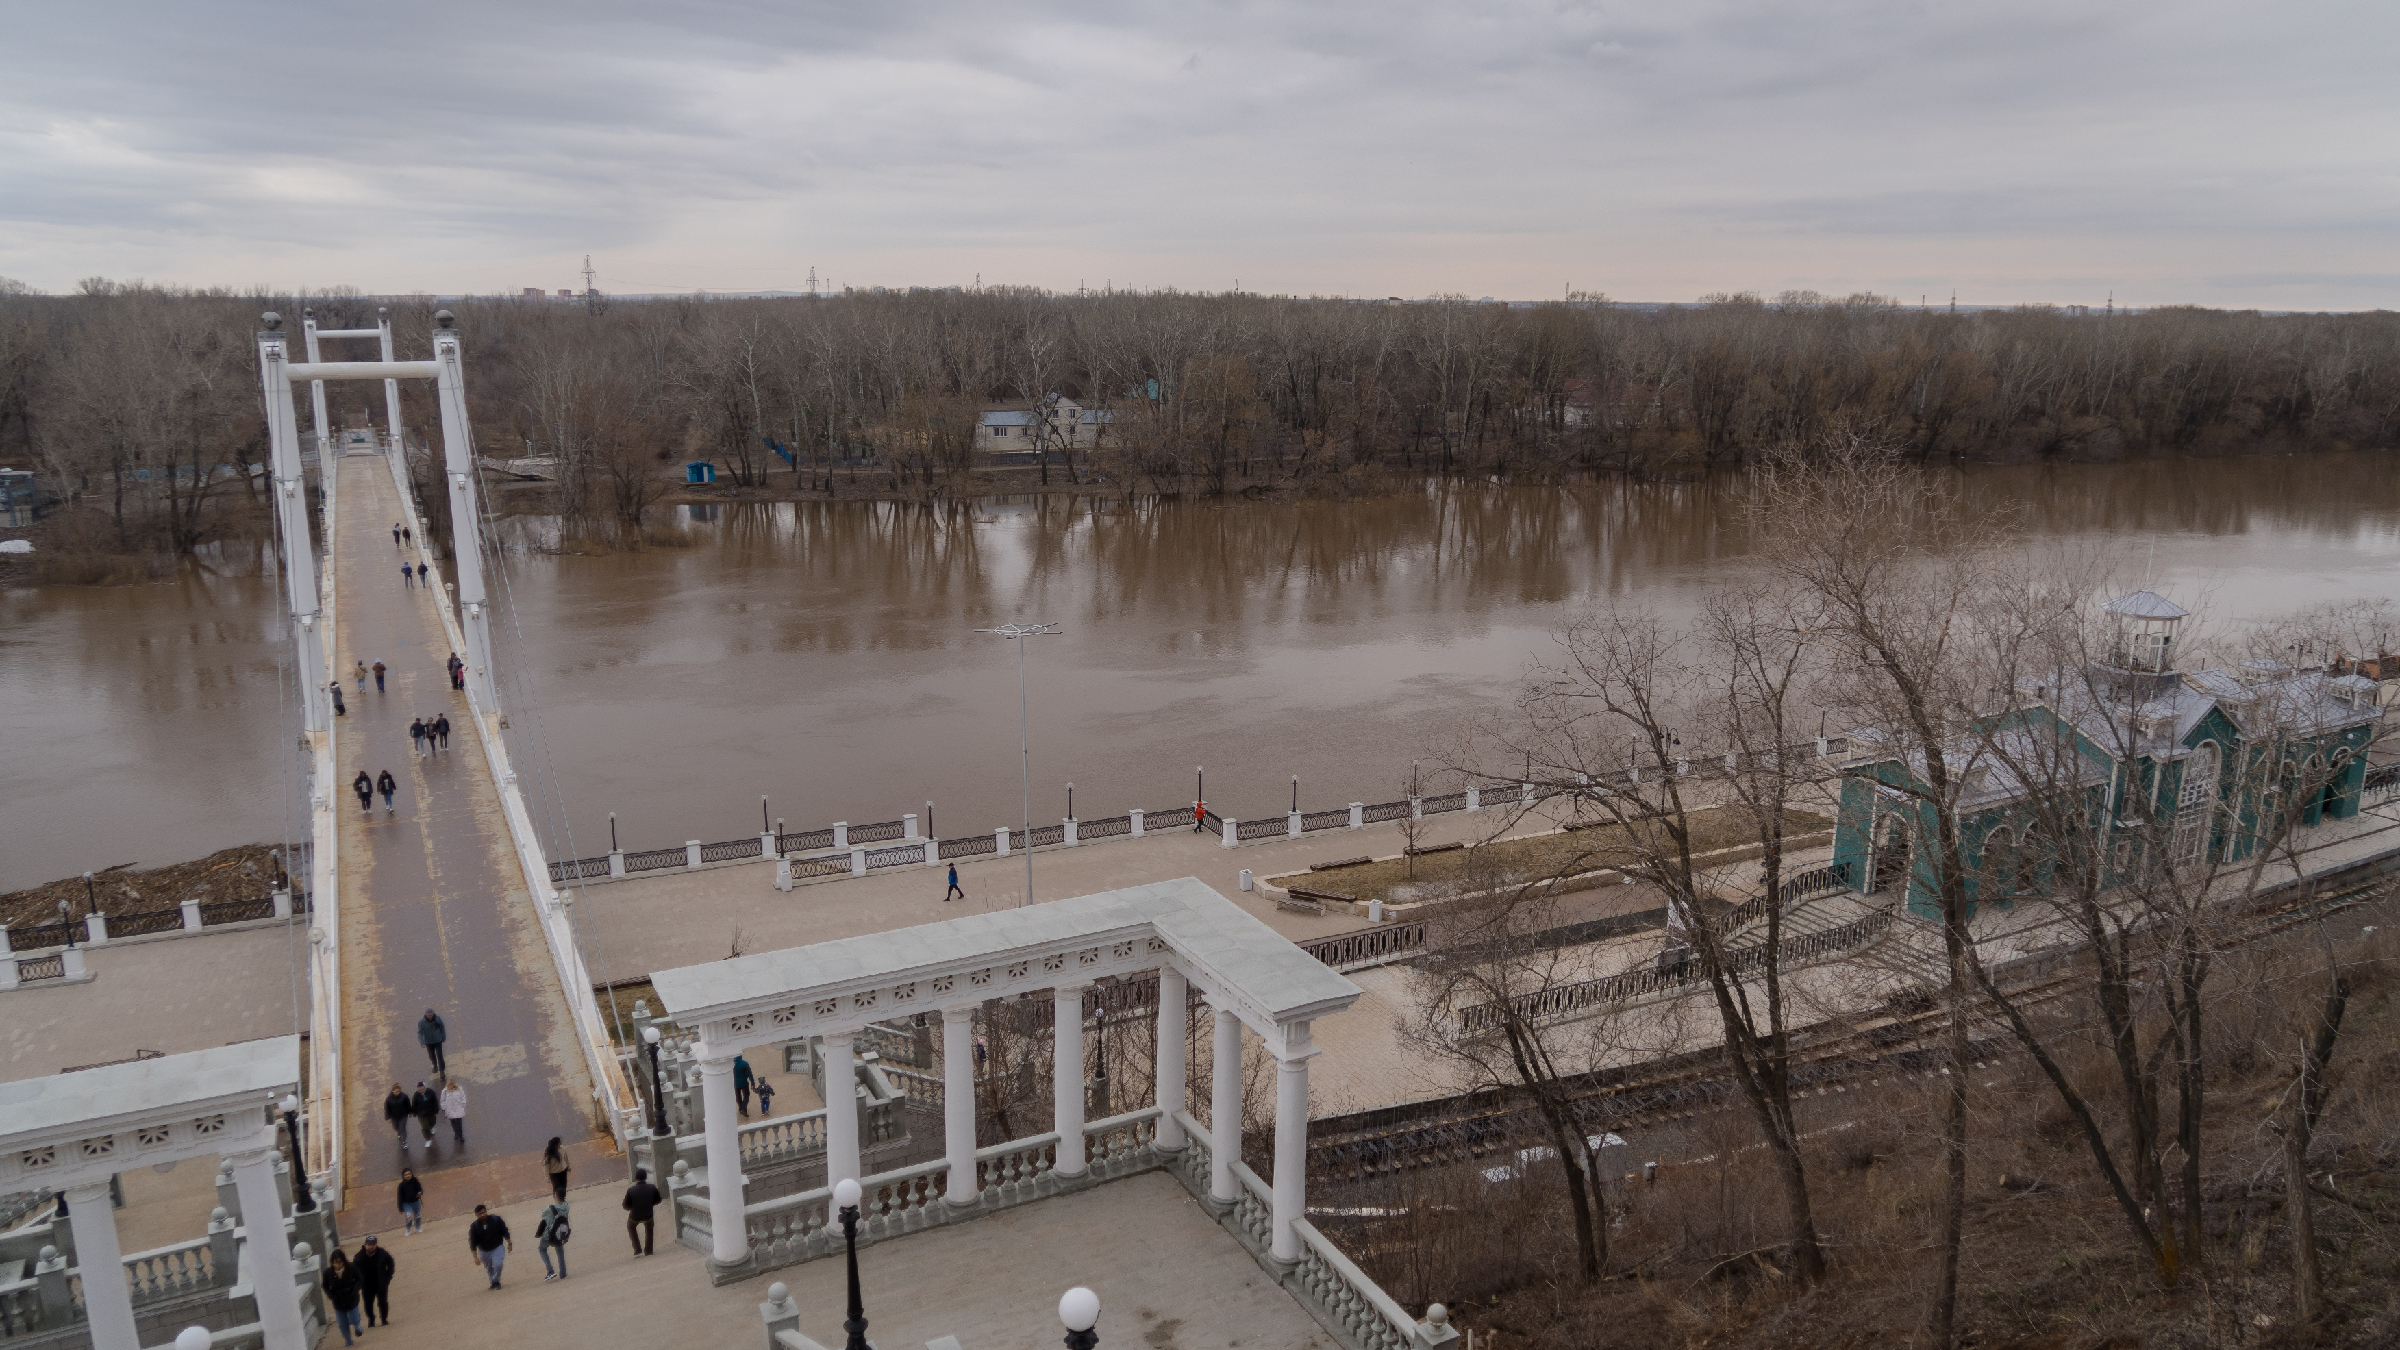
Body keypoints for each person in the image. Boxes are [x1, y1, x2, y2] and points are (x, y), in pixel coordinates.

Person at [322, 1248, 363, 1346]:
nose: (337, 1265)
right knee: (342, 1323)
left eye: (339, 1262)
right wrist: (331, 1295)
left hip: (351, 1296)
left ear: (343, 1261)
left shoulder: (351, 1268)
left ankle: (357, 1325)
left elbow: (359, 1279)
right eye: (335, 1263)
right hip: (338, 1299)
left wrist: (355, 1289)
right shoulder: (328, 1273)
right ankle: (348, 1341)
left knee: (354, 1318)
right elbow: (325, 1286)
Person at [467, 1205, 510, 1289]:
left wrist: (509, 1242)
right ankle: (493, 1283)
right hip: (484, 1250)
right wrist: (475, 1258)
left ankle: (496, 1281)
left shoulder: (496, 1220)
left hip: (497, 1247)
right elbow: (473, 1242)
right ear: (476, 1215)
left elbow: (504, 1230)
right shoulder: (474, 1226)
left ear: (486, 1211)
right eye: (480, 1214)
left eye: (483, 1212)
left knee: (498, 1264)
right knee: (489, 1268)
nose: (482, 1215)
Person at [355, 1235, 395, 1327]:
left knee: (383, 1302)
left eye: (373, 1244)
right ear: (365, 1245)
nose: (371, 1246)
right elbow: (355, 1270)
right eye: (369, 1244)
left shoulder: (383, 1254)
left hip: (380, 1283)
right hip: (367, 1285)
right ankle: (371, 1319)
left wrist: (387, 1277)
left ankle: (384, 1319)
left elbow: (391, 1264)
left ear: (376, 1245)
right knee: (368, 1304)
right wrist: (359, 1282)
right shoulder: (359, 1257)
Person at [622, 1169, 662, 1256]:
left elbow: (625, 1206)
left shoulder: (631, 1191)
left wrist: (632, 1208)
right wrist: (650, 1204)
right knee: (649, 1229)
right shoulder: (652, 1188)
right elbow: (658, 1200)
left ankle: (637, 1249)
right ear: (646, 1177)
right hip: (648, 1216)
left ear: (636, 1178)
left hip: (634, 1217)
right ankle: (648, 1250)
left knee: (631, 1227)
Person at [535, 1198, 571, 1280]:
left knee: (542, 1249)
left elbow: (543, 1214)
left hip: (548, 1235)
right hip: (560, 1234)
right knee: (560, 1252)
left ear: (555, 1196)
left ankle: (550, 1271)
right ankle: (563, 1273)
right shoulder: (566, 1206)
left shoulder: (551, 1208)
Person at [417, 1010, 448, 1077]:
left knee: (439, 1055)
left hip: (438, 1040)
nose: (430, 1017)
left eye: (431, 1015)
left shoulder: (438, 1019)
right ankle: (435, 1065)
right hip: (429, 1042)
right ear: (426, 1015)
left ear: (433, 1014)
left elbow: (442, 1027)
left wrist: (443, 1037)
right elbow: (420, 1033)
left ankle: (442, 1071)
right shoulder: (421, 1022)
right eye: (428, 1015)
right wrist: (422, 1042)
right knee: (431, 1055)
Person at [410, 1081, 439, 1149]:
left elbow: (435, 1101)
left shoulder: (431, 1092)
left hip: (431, 1112)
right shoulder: (416, 1095)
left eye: (422, 1089)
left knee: (432, 1122)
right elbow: (414, 1104)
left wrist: (436, 1110)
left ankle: (431, 1127)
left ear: (424, 1087)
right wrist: (413, 1112)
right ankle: (428, 1139)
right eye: (419, 1090)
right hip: (421, 1114)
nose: (421, 1091)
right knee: (425, 1126)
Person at [396, 1167, 424, 1233]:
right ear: (403, 1176)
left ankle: (418, 1227)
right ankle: (408, 1229)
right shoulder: (401, 1185)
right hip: (406, 1203)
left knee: (417, 1215)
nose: (408, 1175)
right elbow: (400, 1197)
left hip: (416, 1202)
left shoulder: (415, 1181)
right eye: (405, 1174)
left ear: (411, 1174)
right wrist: (400, 1208)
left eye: (409, 1174)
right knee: (409, 1216)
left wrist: (420, 1193)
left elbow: (420, 1189)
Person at [440, 1079, 468, 1144]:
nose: (450, 1086)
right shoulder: (444, 1091)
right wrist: (444, 1108)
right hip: (450, 1110)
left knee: (459, 1124)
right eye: (449, 1085)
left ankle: (461, 1136)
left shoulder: (459, 1090)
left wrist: (462, 1105)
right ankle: (456, 1132)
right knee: (453, 1123)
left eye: (451, 1084)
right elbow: (442, 1100)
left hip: (458, 1110)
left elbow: (463, 1097)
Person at [542, 1137, 570, 1202]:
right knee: (556, 1187)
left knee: (563, 1185)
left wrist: (568, 1166)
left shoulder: (562, 1148)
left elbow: (566, 1158)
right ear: (556, 1144)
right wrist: (547, 1177)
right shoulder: (549, 1154)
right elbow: (546, 1166)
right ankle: (557, 1198)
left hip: (563, 1170)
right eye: (559, 1142)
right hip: (554, 1173)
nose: (560, 1143)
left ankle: (563, 1198)